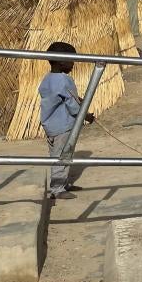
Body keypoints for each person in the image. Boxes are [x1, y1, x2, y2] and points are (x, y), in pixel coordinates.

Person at [38, 42, 93, 200]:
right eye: (71, 60)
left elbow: (60, 96)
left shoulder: (47, 79)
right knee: (62, 156)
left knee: (60, 154)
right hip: (63, 125)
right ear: (62, 61)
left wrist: (76, 99)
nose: (73, 64)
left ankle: (64, 182)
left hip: (51, 125)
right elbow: (73, 106)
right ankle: (57, 188)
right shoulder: (64, 80)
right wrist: (86, 116)